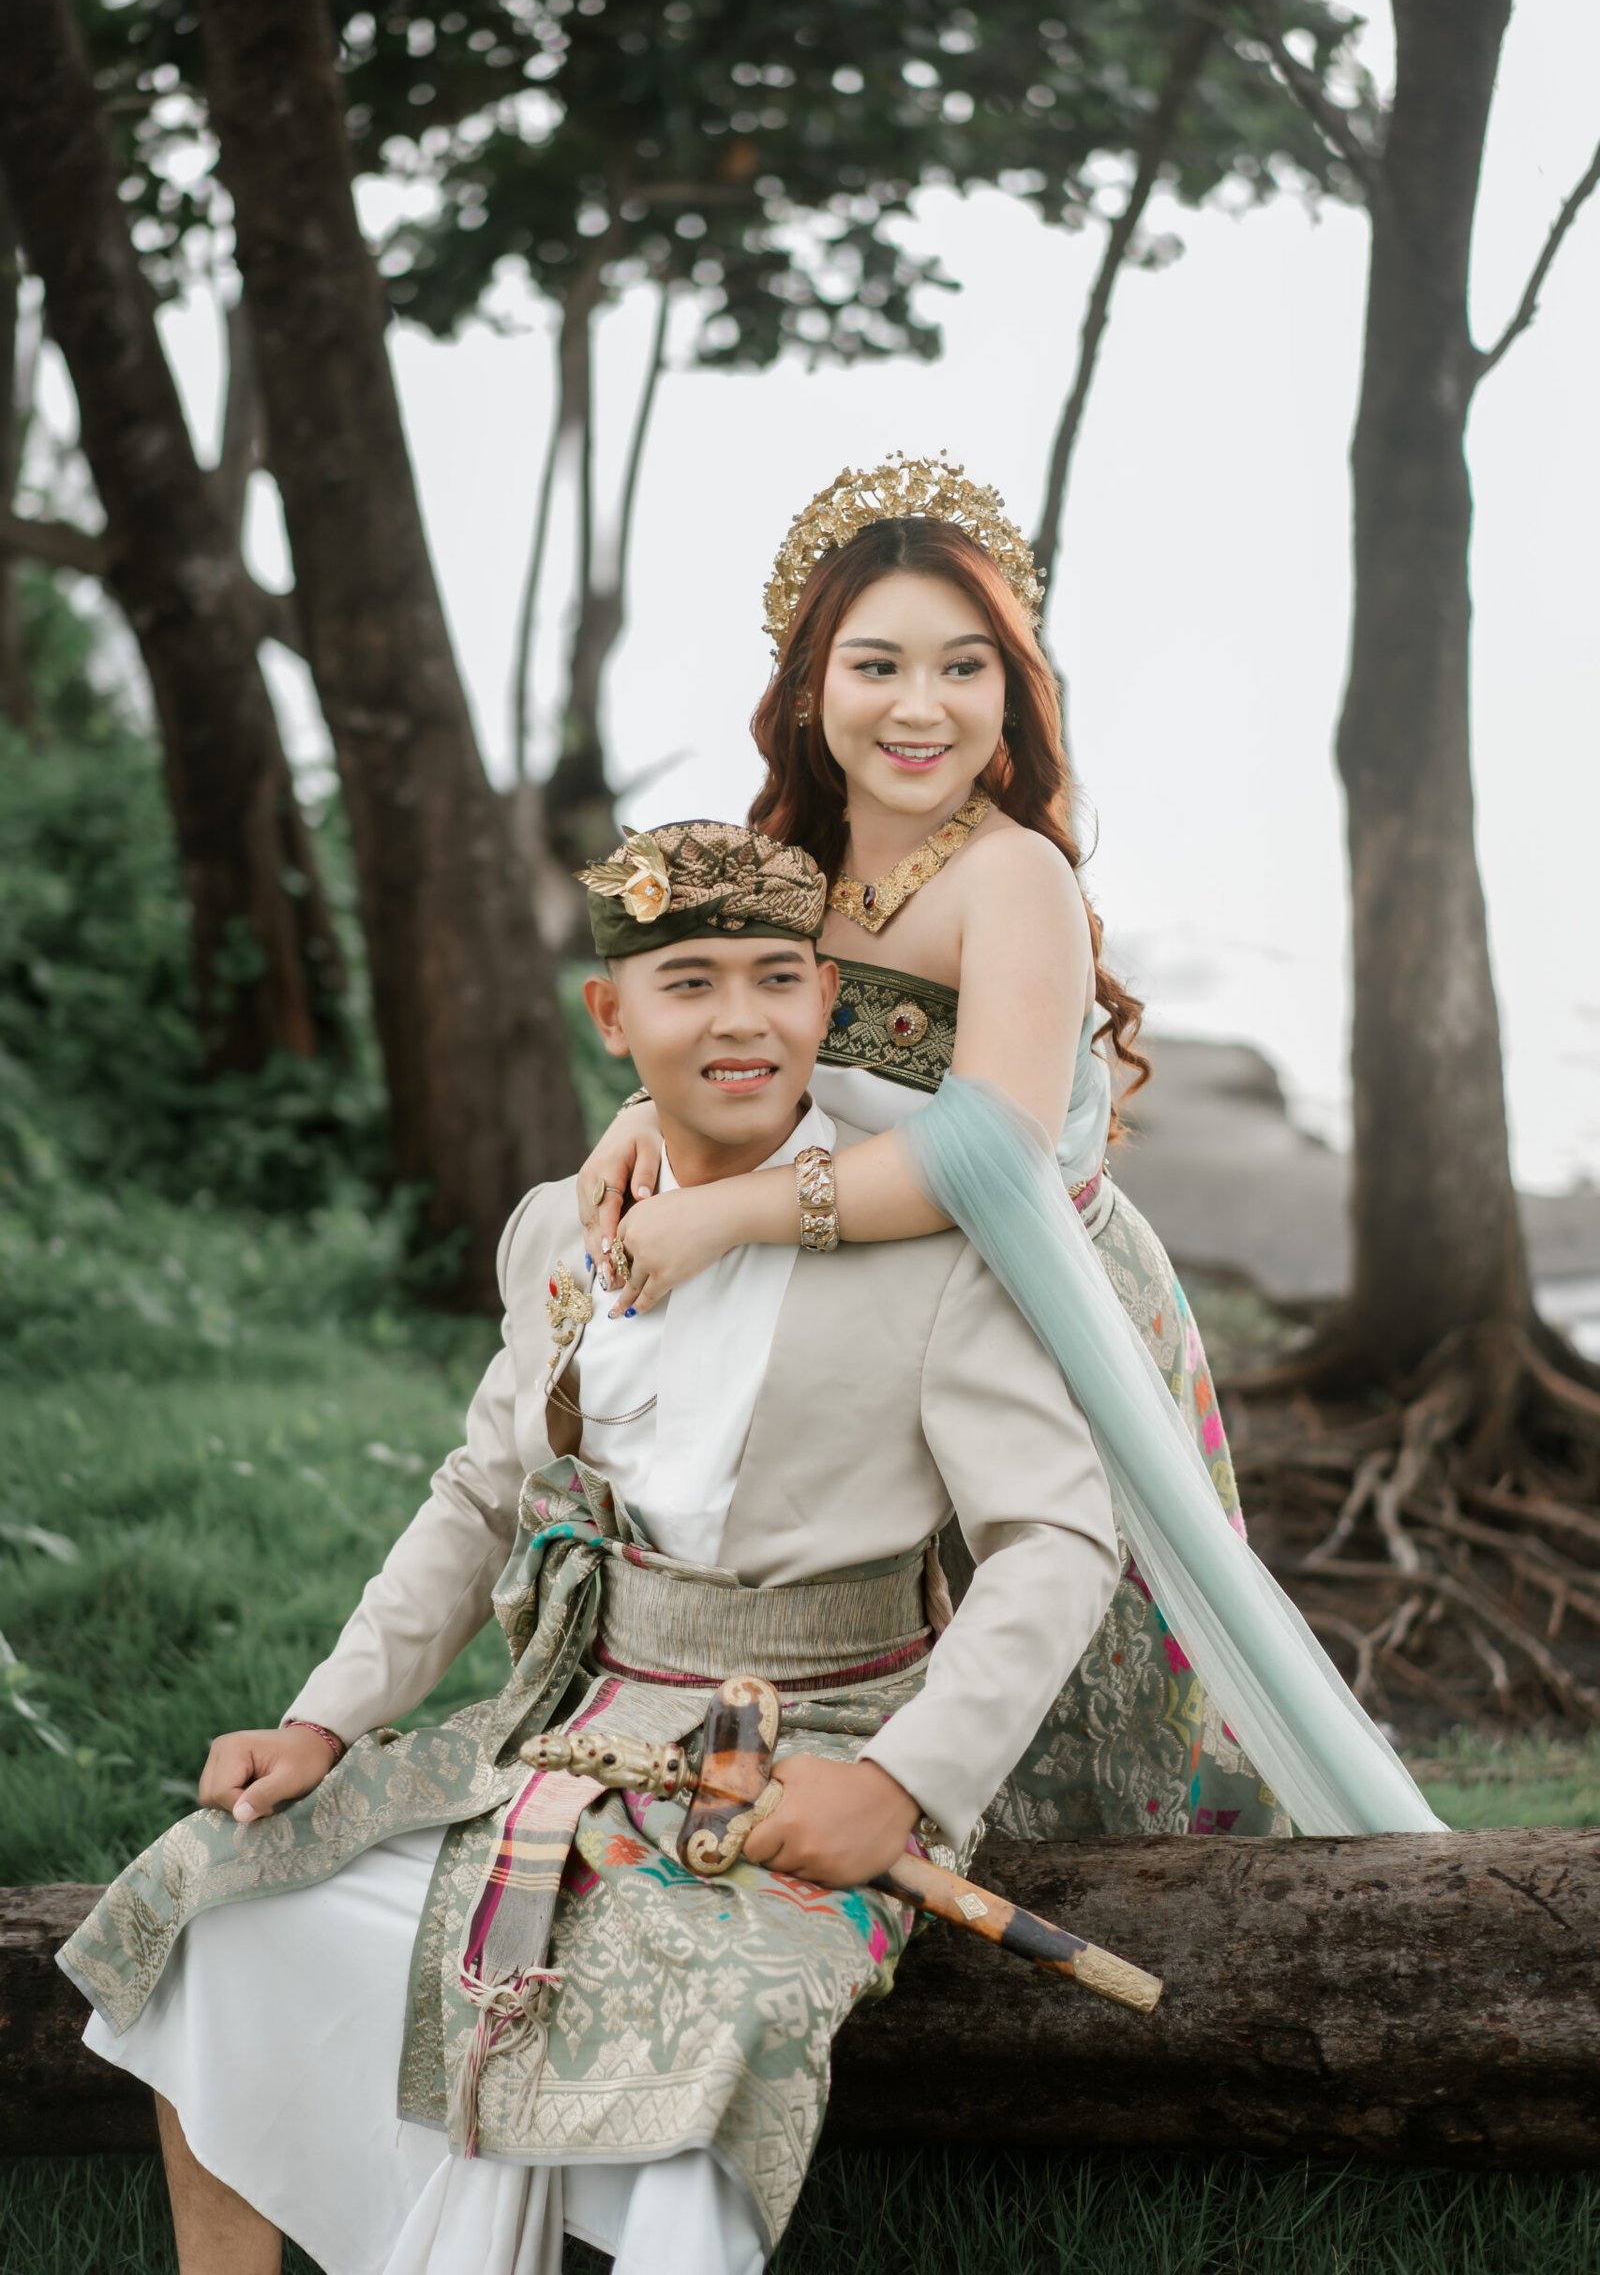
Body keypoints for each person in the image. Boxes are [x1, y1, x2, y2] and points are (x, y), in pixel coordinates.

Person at [60, 821, 1122, 2275]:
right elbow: (481, 1493)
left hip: (815, 1760)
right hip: (565, 1728)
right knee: (212, 1902)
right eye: (690, 983)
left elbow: (1056, 1539)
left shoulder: (937, 1250)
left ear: (827, 999)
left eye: (778, 980)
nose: (742, 1022)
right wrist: (324, 1718)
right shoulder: (559, 1231)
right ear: (611, 1015)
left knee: (703, 2060)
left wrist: (899, 1787)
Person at [577, 455, 1446, 1844]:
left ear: (1011, 689)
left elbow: (990, 1145)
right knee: (889, 1621)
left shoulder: (1012, 874)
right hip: (869, 1300)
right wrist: (644, 1118)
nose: (920, 707)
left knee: (1071, 1642)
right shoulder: (791, 862)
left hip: (1042, 1301)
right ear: (809, 687)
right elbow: (740, 1043)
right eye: (877, 665)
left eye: (963, 668)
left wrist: (730, 1213)